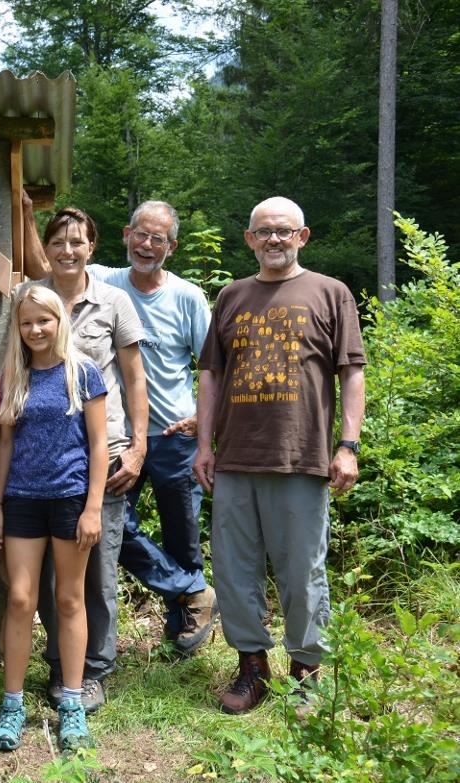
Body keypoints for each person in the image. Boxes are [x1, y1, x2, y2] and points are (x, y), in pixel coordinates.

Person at [194, 196, 365, 714]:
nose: (273, 239)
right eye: (263, 231)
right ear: (249, 239)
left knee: (302, 569)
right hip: (236, 459)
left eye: (283, 231)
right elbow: (211, 375)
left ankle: (306, 669)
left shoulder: (331, 293)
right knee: (233, 568)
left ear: (302, 237)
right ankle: (252, 668)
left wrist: (348, 445)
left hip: (302, 457)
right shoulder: (231, 297)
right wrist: (205, 445)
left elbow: (351, 371)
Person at [57, 199, 219, 655]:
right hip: (115, 439)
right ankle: (190, 589)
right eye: (141, 235)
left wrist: (206, 421)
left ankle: (182, 636)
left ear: (172, 245)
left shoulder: (186, 296)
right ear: (127, 235)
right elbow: (49, 261)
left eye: (158, 238)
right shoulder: (105, 279)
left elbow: (212, 365)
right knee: (115, 527)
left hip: (174, 436)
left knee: (182, 534)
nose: (147, 245)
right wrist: (24, 207)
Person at [22, 205, 147, 714]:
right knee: (52, 575)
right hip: (40, 460)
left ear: (92, 247)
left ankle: (93, 671)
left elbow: (135, 378)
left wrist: (139, 447)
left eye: (78, 242)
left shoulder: (114, 301)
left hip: (105, 455)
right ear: (46, 248)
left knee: (97, 569)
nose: (68, 250)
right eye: (58, 242)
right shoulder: (28, 299)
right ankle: (60, 664)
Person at [0, 284, 108, 754]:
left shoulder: (83, 372)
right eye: (26, 322)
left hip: (70, 498)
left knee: (69, 599)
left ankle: (72, 705)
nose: (35, 329)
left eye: (44, 320)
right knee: (19, 598)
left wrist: (93, 507)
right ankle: (12, 703)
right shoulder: (14, 375)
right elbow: (5, 444)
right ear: (17, 328)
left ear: (59, 321)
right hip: (20, 498)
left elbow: (99, 445)